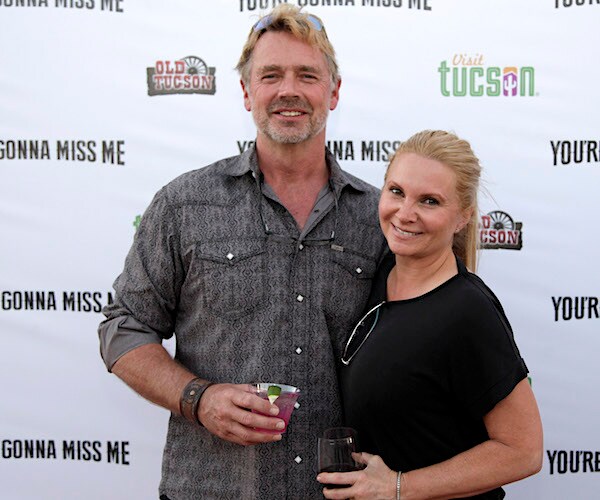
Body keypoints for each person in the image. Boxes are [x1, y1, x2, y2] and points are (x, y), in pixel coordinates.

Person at [98, 5, 388, 500]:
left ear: (334, 92)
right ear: (247, 92)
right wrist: (199, 398)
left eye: (307, 75)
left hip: (341, 493)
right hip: (212, 488)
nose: (288, 90)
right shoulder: (185, 203)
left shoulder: (380, 218)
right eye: (270, 75)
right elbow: (123, 328)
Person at [317, 130, 543, 499]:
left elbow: (523, 451)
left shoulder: (467, 312)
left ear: (462, 218)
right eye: (396, 192)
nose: (405, 214)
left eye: (430, 201)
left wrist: (397, 487)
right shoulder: (377, 276)